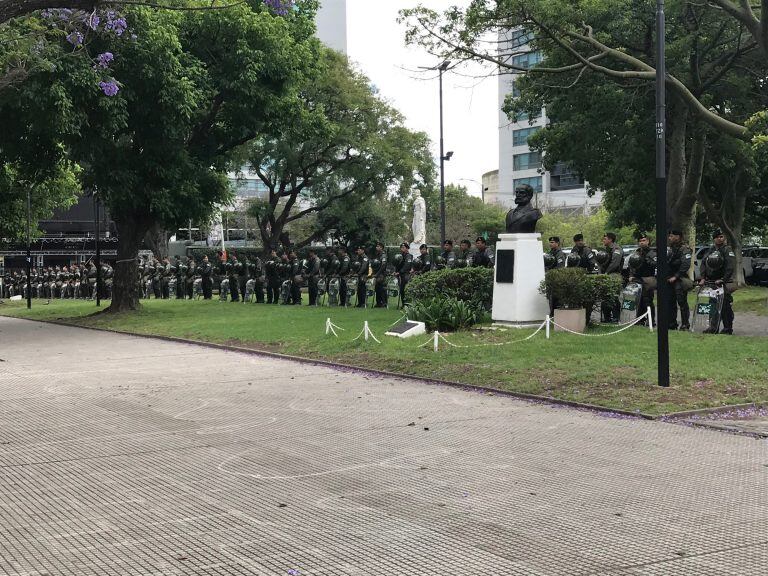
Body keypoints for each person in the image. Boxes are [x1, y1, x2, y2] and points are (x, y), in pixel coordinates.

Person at [699, 229, 737, 334]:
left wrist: (723, 279)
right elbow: (703, 263)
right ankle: (713, 327)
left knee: (724, 304)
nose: (720, 239)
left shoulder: (727, 250)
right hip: (712, 282)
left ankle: (728, 328)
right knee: (713, 304)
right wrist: (703, 277)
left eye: (722, 237)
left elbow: (730, 266)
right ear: (714, 239)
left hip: (725, 282)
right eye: (718, 237)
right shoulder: (711, 249)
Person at [666, 229, 694, 330]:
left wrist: (676, 276)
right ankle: (671, 323)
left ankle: (685, 324)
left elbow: (685, 265)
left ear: (677, 237)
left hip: (680, 279)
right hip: (669, 278)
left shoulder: (684, 249)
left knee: (681, 302)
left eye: (671, 236)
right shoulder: (670, 249)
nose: (669, 238)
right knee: (670, 301)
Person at [627, 233, 658, 323]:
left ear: (648, 241)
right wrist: (631, 275)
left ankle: (651, 320)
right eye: (640, 241)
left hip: (648, 279)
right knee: (638, 301)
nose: (642, 242)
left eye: (644, 240)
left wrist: (648, 260)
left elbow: (656, 264)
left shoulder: (652, 253)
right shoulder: (637, 252)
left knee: (647, 300)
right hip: (637, 278)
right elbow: (631, 265)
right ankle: (640, 320)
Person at [599, 233, 623, 323]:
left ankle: (616, 317)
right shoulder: (606, 249)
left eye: (605, 239)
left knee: (614, 297)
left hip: (614, 275)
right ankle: (606, 317)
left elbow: (615, 264)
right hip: (606, 275)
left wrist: (606, 273)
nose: (603, 240)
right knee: (605, 297)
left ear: (610, 240)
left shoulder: (617, 249)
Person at [394, 242, 413, 308]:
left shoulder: (409, 256)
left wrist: (400, 272)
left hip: (406, 274)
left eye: (403, 248)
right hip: (400, 275)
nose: (402, 249)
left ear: (407, 248)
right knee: (401, 290)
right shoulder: (400, 256)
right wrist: (396, 272)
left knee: (405, 289)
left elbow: (407, 266)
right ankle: (403, 304)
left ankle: (407, 304)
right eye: (401, 248)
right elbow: (397, 265)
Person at [372, 242, 388, 308]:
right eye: (376, 246)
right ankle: (378, 302)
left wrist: (377, 274)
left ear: (381, 248)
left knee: (382, 289)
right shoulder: (378, 255)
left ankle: (384, 303)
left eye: (378, 246)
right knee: (377, 289)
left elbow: (383, 266)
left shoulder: (383, 255)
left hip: (381, 274)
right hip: (377, 274)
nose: (376, 247)